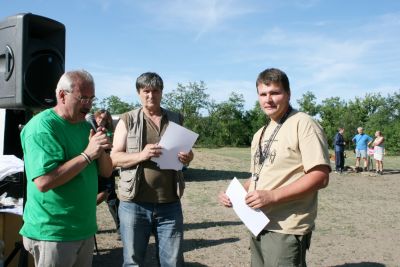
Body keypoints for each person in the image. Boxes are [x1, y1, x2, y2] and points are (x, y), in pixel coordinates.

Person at [218, 68, 330, 266]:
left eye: (275, 93)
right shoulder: (260, 133)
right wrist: (234, 193)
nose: (268, 99)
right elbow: (258, 176)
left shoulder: (303, 123)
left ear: (288, 94)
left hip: (286, 228)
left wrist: (272, 196)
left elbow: (320, 176)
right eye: (263, 94)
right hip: (257, 222)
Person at [20, 70, 113, 267]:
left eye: (91, 98)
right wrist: (87, 155)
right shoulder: (42, 128)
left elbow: (106, 172)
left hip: (83, 229)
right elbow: (44, 182)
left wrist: (102, 149)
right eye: (83, 98)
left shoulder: (85, 126)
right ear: (62, 95)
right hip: (54, 233)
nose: (88, 105)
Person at [111, 72, 194, 266]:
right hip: (134, 204)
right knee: (133, 262)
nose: (151, 95)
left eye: (155, 91)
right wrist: (142, 155)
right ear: (139, 93)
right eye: (146, 91)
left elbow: (186, 154)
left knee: (172, 262)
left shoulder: (176, 118)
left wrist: (188, 157)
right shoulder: (127, 119)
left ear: (162, 92)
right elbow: (114, 157)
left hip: (170, 203)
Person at [94, 109, 120, 238]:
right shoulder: (89, 129)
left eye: (104, 119)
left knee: (111, 198)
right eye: (100, 117)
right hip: (92, 169)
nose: (101, 120)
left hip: (107, 168)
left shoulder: (110, 133)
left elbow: (113, 149)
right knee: (91, 196)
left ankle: (121, 229)